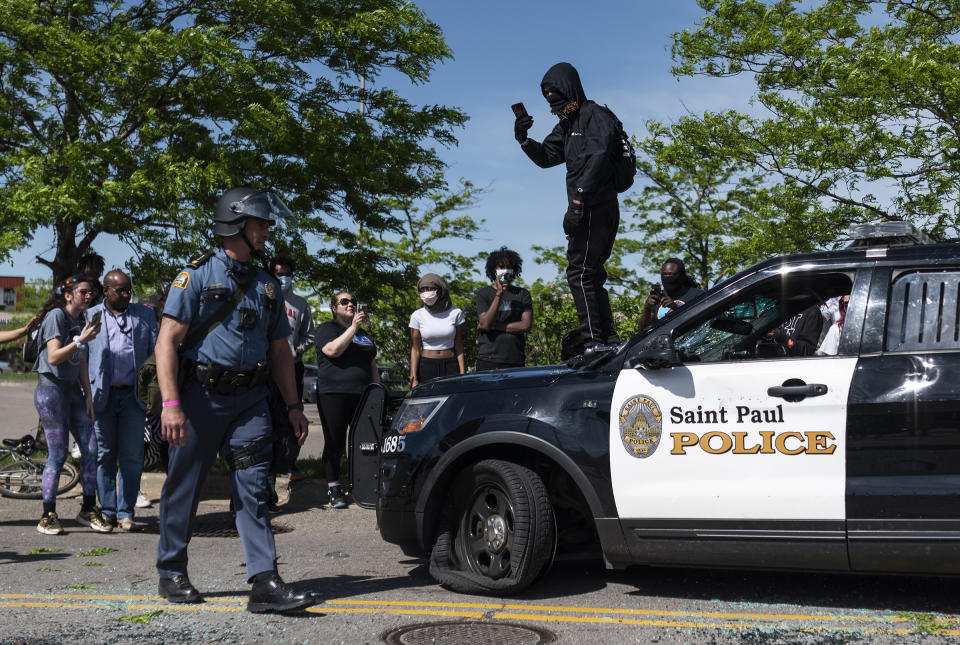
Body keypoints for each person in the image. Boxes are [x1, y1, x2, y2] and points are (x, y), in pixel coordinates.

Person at [154, 186, 311, 613]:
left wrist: (293, 407)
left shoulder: (268, 286)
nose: (266, 231)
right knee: (184, 486)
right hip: (201, 398)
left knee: (255, 490)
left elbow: (281, 351)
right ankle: (171, 570)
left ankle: (264, 582)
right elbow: (167, 341)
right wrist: (171, 404)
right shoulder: (197, 275)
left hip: (252, 402)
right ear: (236, 224)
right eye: (260, 223)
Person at [514, 62, 621, 350]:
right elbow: (547, 156)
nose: (550, 98)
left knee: (580, 272)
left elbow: (599, 158)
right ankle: (607, 339)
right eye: (546, 93)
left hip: (597, 206)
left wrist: (578, 201)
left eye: (554, 91)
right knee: (590, 273)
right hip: (585, 207)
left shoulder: (594, 116)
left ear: (570, 88)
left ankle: (594, 341)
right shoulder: (568, 124)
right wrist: (523, 139)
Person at [33, 275, 112, 535]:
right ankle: (48, 515)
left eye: (91, 293)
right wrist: (80, 340)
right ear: (68, 295)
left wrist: (88, 395)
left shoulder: (81, 320)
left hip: (73, 392)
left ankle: (88, 509)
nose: (88, 297)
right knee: (58, 453)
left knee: (91, 447)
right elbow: (54, 357)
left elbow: (81, 361)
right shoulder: (57, 316)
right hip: (51, 390)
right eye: (83, 292)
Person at [86, 270, 159, 531]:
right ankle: (106, 510)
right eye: (120, 290)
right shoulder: (91, 315)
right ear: (106, 291)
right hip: (101, 396)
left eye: (129, 289)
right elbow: (82, 356)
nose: (127, 294)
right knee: (104, 455)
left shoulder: (145, 315)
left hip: (133, 396)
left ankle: (126, 511)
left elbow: (156, 353)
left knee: (131, 456)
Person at [314, 291, 379, 509]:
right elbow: (332, 350)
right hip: (334, 393)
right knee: (335, 441)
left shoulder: (364, 334)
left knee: (365, 442)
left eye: (352, 301)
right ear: (334, 307)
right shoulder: (327, 329)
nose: (350, 304)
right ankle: (334, 488)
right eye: (344, 302)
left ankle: (363, 487)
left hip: (363, 394)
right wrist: (353, 328)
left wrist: (378, 389)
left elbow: (371, 363)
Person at [270, 255, 315, 481]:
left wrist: (297, 351)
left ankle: (288, 462)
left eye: (287, 273)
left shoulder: (300, 304)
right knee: (267, 415)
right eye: (279, 273)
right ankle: (267, 462)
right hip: (266, 370)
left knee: (292, 413)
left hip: (293, 367)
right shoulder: (264, 300)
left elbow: (310, 335)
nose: (284, 278)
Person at [475, 247, 533, 371]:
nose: (505, 270)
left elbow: (526, 325)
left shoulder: (522, 294)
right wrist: (499, 294)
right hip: (488, 359)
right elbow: (485, 324)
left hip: (515, 359)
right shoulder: (483, 293)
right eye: (501, 266)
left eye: (509, 266)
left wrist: (496, 326)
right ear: (493, 269)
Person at [409, 274, 465, 387]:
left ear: (439, 290)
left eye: (429, 289)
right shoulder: (417, 315)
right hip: (427, 366)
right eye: (422, 290)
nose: (426, 293)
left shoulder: (455, 313)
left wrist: (462, 372)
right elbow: (415, 349)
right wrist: (413, 377)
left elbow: (459, 344)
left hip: (450, 365)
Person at [639, 258, 706, 329]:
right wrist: (647, 308)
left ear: (682, 276)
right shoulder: (657, 297)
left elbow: (701, 320)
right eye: (664, 274)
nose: (667, 277)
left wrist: (675, 307)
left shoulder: (697, 295)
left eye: (671, 274)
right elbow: (643, 328)